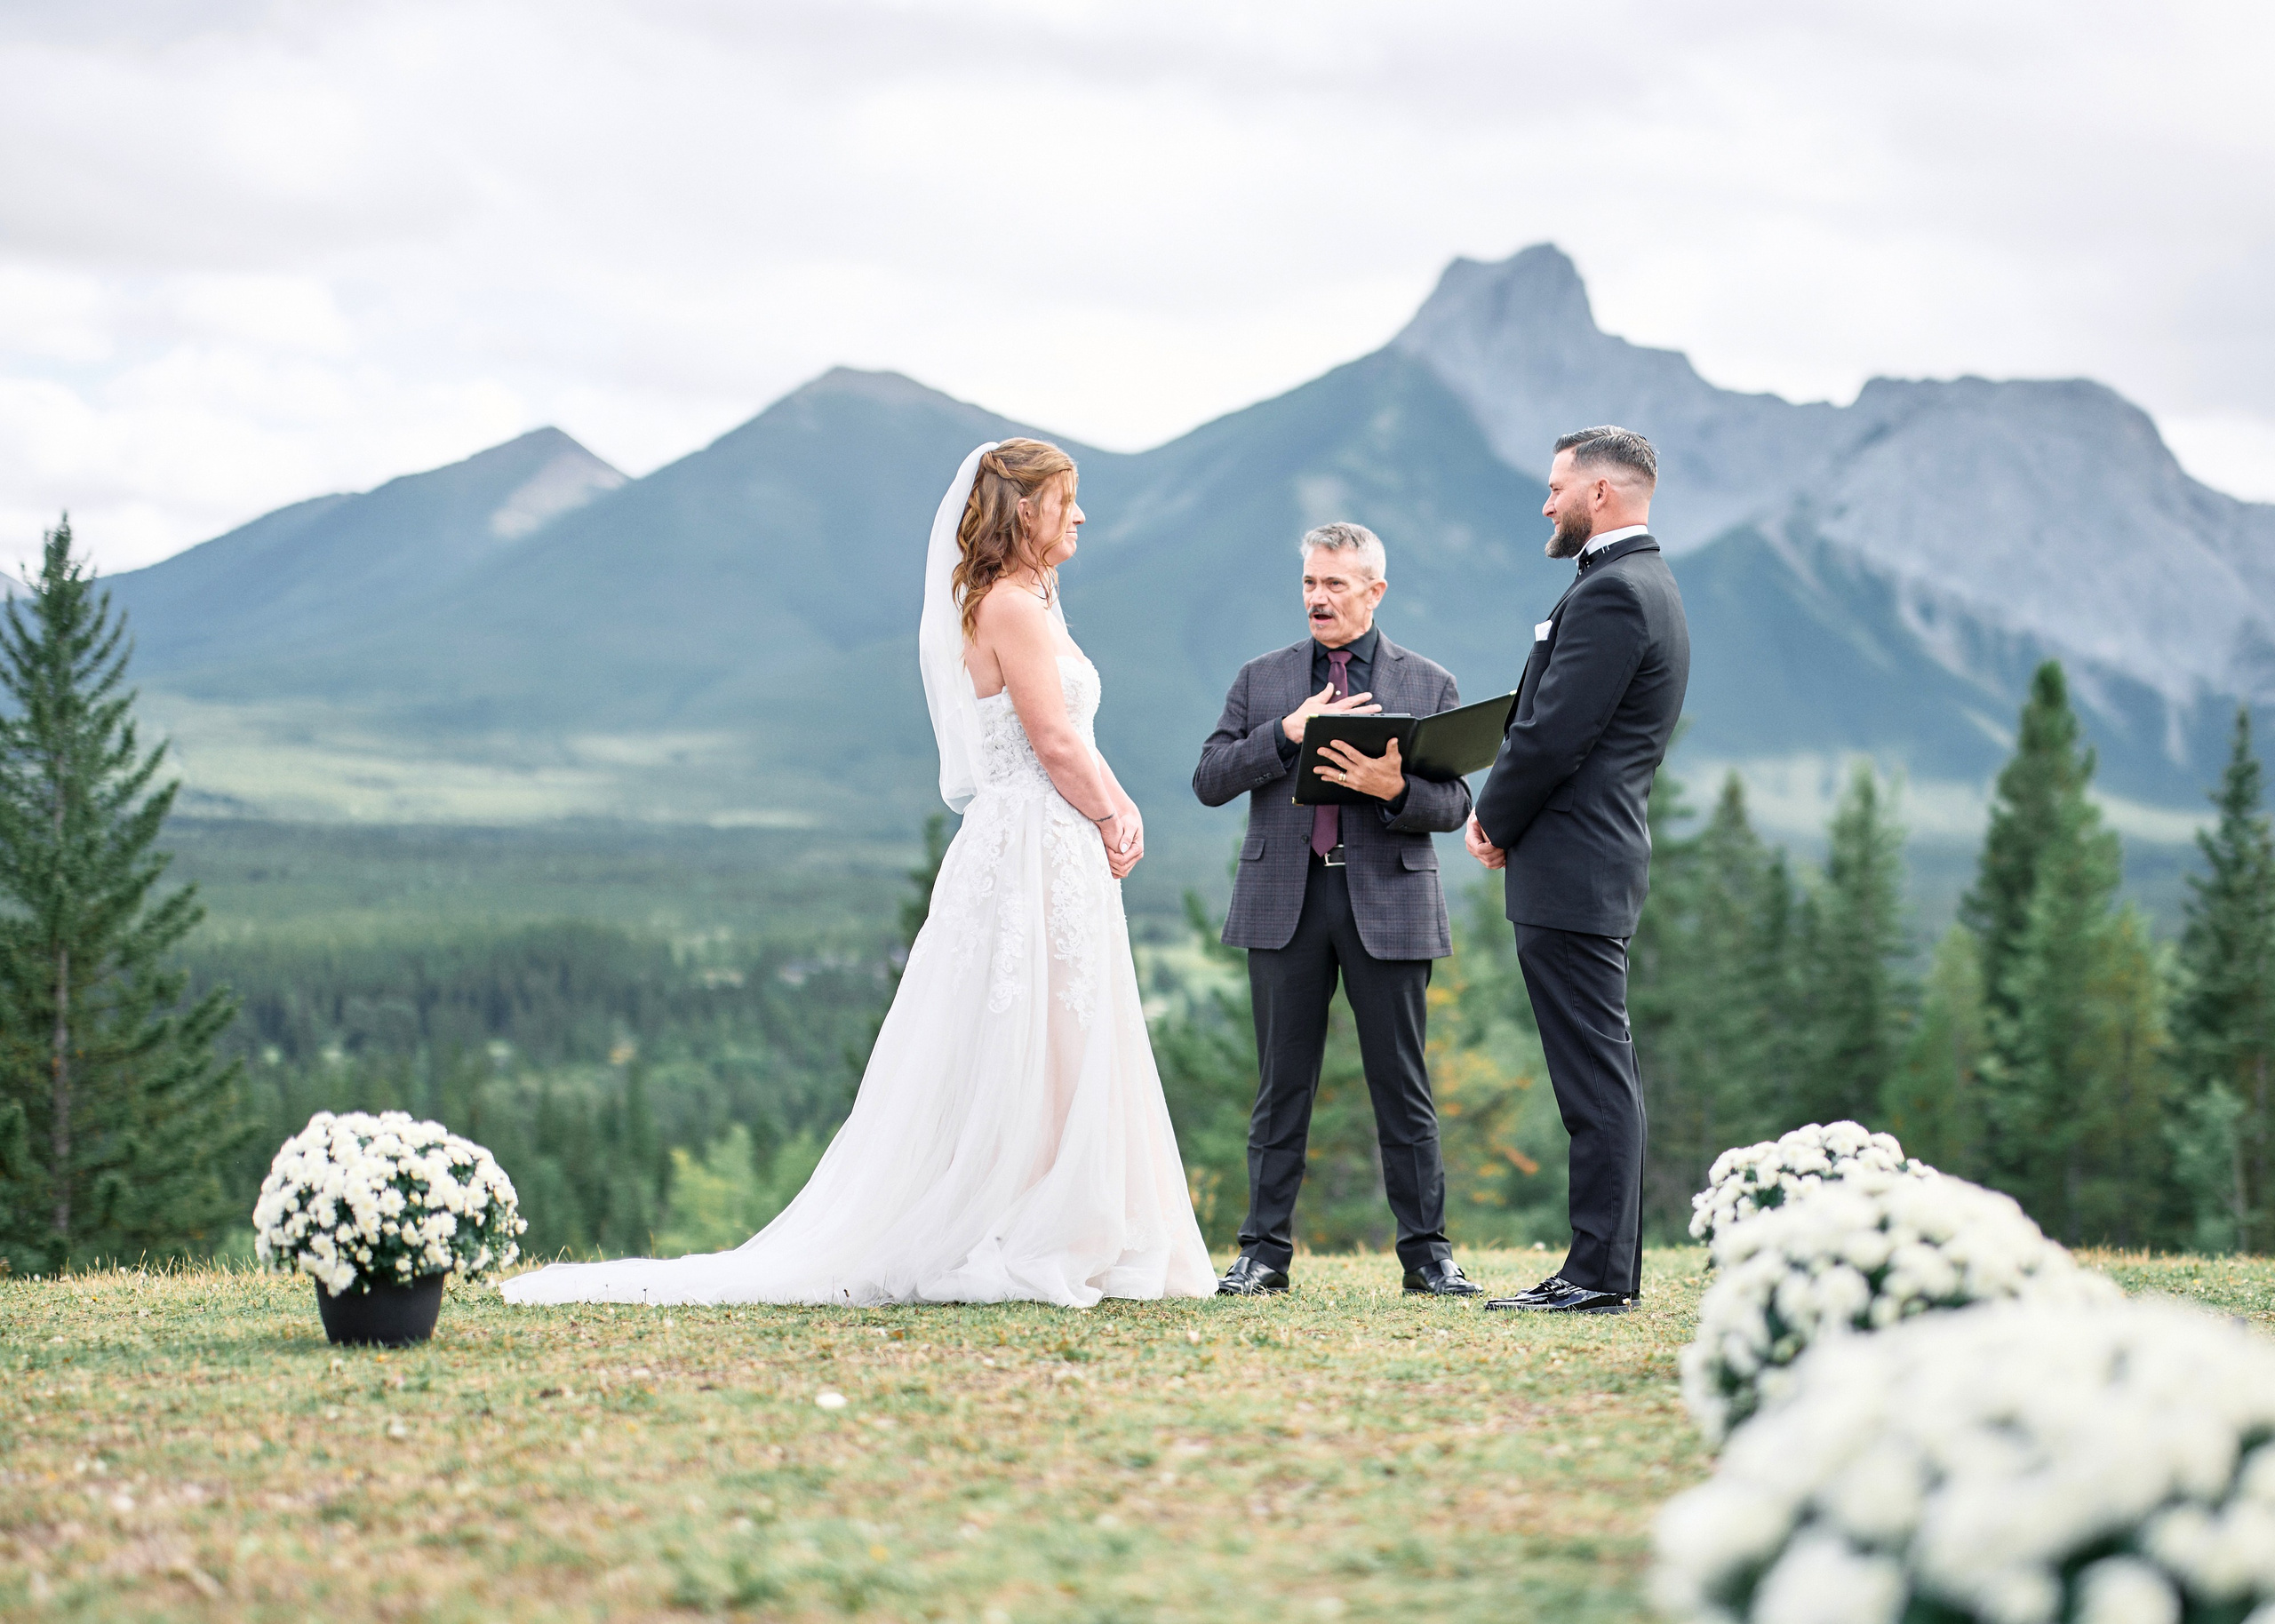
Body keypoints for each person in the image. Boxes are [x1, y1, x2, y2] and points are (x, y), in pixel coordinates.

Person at [503, 440, 1215, 1308]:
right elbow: (1054, 739)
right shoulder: (1010, 607)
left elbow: (1072, 741)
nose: (1079, 517)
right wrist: (1113, 810)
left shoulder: (1033, 600)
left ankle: (1061, 1213)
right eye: (1066, 501)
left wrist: (1111, 803)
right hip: (1029, 842)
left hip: (1051, 841)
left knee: (1063, 1030)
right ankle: (1021, 1221)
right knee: (1024, 1028)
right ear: (1024, 509)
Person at [1193, 522, 1482, 1298]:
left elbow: (1455, 804)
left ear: (1374, 591)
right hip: (1285, 899)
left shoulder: (1429, 684)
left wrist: (1395, 791)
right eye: (1310, 584)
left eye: (1336, 585)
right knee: (1281, 1085)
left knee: (1404, 1083)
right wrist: (1284, 735)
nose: (1318, 599)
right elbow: (1211, 777)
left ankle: (1428, 1255)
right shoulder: (1263, 679)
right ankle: (1261, 1254)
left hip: (1389, 900)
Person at [1465, 426, 1689, 1316]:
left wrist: (1492, 814)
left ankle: (1596, 1274)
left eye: (1556, 487)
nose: (1546, 502)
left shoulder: (1614, 595)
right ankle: (1600, 1267)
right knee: (1597, 1069)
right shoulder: (1643, 586)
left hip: (1574, 860)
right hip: (1587, 859)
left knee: (1592, 1075)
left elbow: (1554, 730)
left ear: (1601, 493)